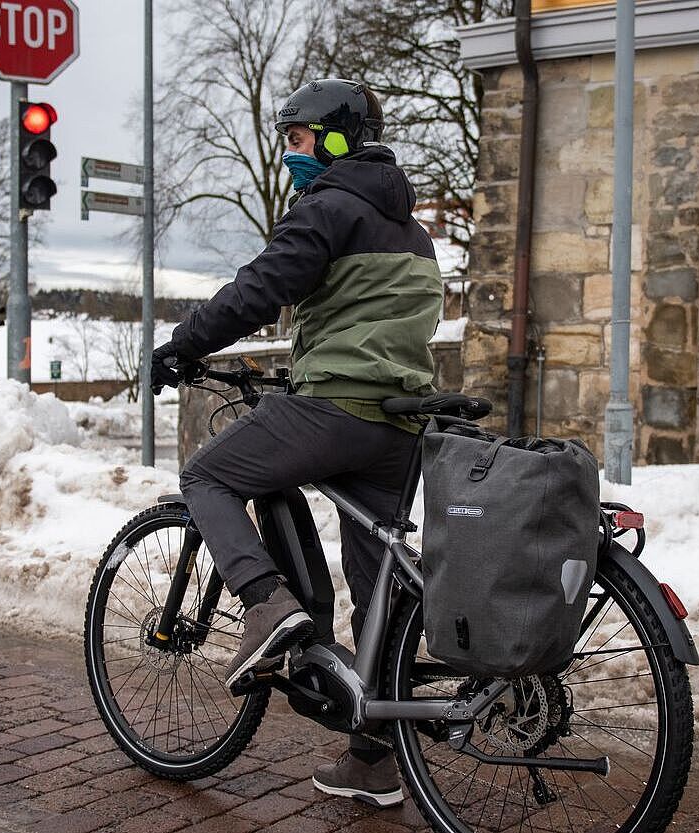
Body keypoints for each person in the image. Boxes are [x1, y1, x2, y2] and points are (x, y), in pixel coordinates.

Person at [150, 78, 442, 807]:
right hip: (401, 424)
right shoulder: (413, 227)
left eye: (297, 138)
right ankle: (374, 757)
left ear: (338, 137)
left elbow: (259, 290)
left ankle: (265, 601)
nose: (289, 154)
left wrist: (182, 345)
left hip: (338, 409)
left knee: (208, 477)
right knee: (378, 591)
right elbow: (362, 314)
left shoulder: (328, 208)